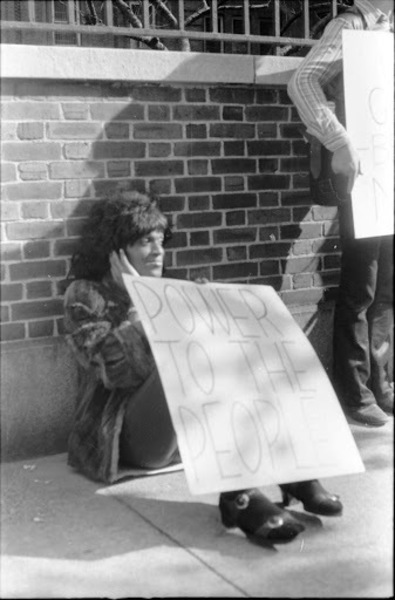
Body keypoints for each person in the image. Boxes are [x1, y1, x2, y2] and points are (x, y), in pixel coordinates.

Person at [64, 191, 342, 547]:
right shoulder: (84, 295)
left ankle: (293, 473)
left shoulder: (167, 287)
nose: (158, 250)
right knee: (192, 348)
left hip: (183, 434)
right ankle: (238, 497)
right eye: (144, 241)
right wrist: (142, 301)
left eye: (160, 240)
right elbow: (114, 373)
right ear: (116, 250)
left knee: (234, 341)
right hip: (124, 436)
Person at [287, 0, 394, 427]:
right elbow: (304, 81)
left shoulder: (388, 29)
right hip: (366, 176)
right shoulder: (350, 25)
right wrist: (339, 141)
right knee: (362, 286)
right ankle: (354, 389)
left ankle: (381, 382)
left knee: (387, 286)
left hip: (389, 172)